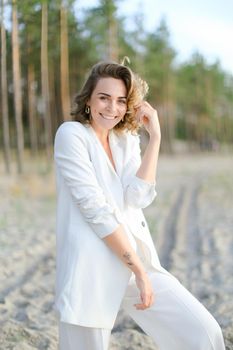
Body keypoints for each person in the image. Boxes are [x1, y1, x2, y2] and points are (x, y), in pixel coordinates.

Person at [54, 61, 225, 350]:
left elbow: (138, 197)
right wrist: (139, 271)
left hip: (136, 262)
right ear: (88, 100)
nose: (112, 108)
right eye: (104, 98)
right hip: (92, 268)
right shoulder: (71, 135)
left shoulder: (126, 139)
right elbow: (96, 211)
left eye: (121, 100)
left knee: (204, 333)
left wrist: (155, 138)